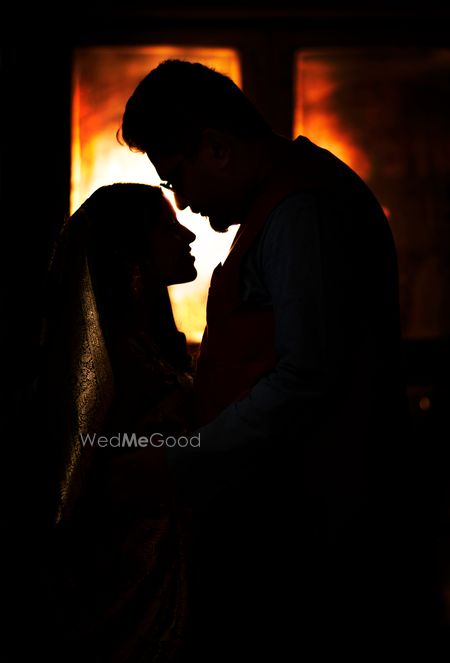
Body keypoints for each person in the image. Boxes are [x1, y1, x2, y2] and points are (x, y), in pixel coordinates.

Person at [119, 61, 435, 658]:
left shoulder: (301, 210)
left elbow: (305, 377)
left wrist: (181, 459)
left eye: (176, 176)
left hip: (321, 538)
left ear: (216, 148)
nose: (182, 203)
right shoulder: (287, 203)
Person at [27, 183, 197, 663]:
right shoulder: (115, 362)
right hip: (125, 598)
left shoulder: (147, 347)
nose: (188, 236)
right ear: (129, 250)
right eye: (168, 227)